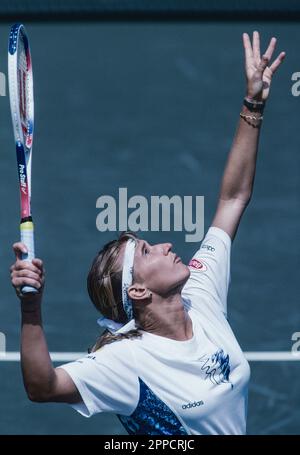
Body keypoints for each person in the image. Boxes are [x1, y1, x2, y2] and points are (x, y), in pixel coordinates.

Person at [10, 31, 285, 435]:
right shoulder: (127, 363)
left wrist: (254, 104)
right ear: (137, 291)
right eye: (146, 251)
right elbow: (43, 386)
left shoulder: (200, 295)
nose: (167, 244)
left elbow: (232, 199)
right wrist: (30, 311)